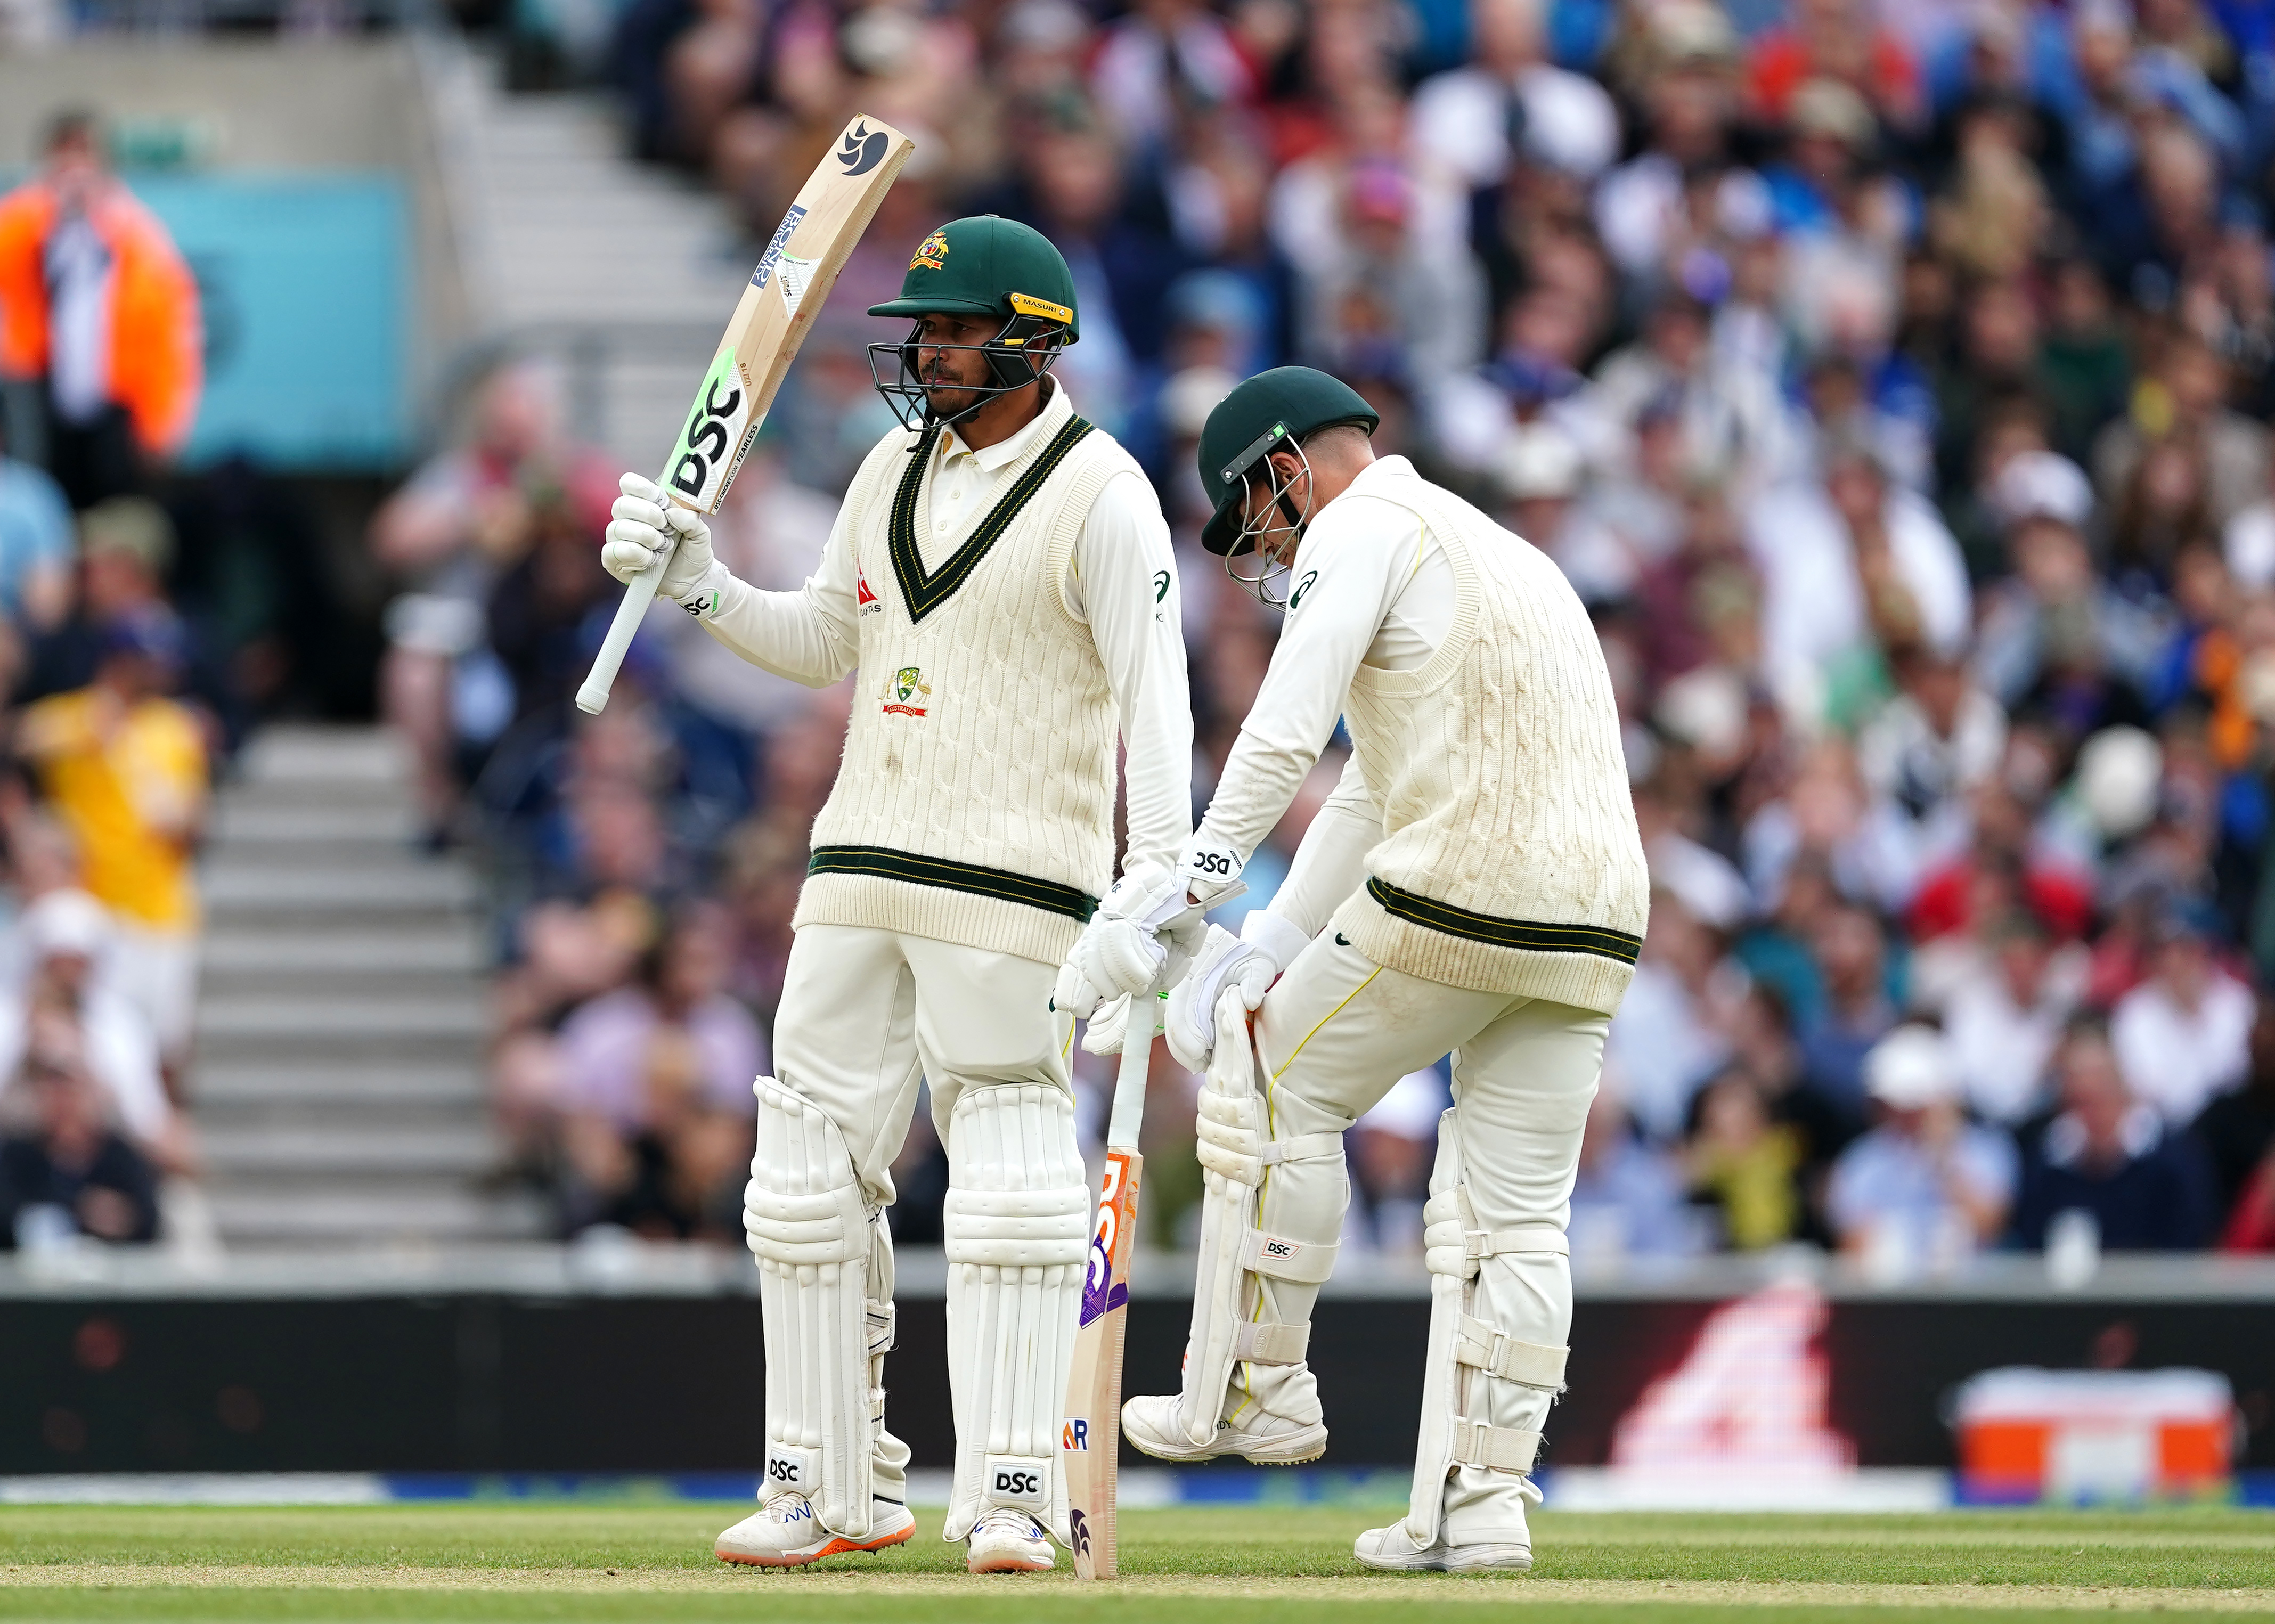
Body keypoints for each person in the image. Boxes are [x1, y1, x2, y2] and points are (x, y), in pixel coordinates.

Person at [598, 216, 1190, 1573]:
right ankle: (827, 1478)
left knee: (1012, 1185)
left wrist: (1155, 875)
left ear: (1032, 341)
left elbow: (1156, 701)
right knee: (802, 1171)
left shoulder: (1105, 494)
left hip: (1020, 879)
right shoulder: (886, 466)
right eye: (917, 330)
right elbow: (826, 639)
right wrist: (699, 585)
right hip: (857, 858)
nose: (923, 352)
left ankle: (1014, 1489)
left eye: (953, 329)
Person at [1093, 366, 1649, 1572]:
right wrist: (1265, 938)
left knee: (1272, 1082)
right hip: (1598, 920)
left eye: (1259, 523)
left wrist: (1183, 892)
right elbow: (1370, 785)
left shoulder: (1361, 528)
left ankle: (1260, 1387)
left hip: (1462, 886)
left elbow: (1285, 731)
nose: (1268, 559)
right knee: (1515, 1219)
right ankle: (1484, 1501)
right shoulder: (1499, 549)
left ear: (1287, 468)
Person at [13, 604, 207, 1081]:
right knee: (96, 1042)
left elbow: (192, 822)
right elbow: (19, 738)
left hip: (161, 910)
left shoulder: (175, 728)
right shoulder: (76, 715)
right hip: (91, 912)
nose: (158, 672)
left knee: (167, 1046)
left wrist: (185, 819)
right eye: (147, 661)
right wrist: (86, 734)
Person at [0, 111, 201, 508]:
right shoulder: (19, 221)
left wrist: (162, 425)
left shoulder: (140, 235)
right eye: (65, 154)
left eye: (85, 153)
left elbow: (171, 335)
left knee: (114, 516)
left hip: (115, 401)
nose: (75, 168)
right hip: (35, 393)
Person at [2010, 1020, 2219, 1251]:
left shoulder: (2173, 1161)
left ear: (2122, 1092)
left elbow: (2188, 1239)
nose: (2091, 1115)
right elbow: (2031, 1241)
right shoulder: (2047, 1163)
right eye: (2079, 1104)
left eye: (2100, 1100)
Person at [1825, 1025, 2017, 1269]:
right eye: (1896, 1106)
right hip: (1892, 1299)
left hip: (1974, 1299)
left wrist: (1943, 1158)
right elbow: (1851, 1244)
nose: (1906, 1117)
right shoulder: (1864, 1160)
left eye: (1917, 1107)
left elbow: (1989, 1225)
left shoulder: (1987, 1149)